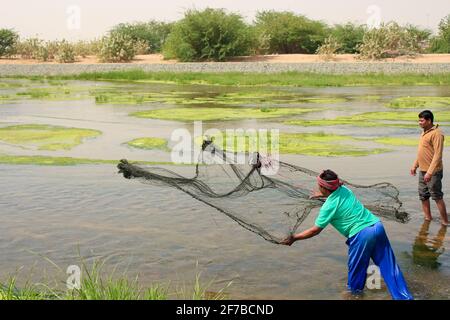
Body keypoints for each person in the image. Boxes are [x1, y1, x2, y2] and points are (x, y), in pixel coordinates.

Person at [281, 169, 413, 300]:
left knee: (357, 271)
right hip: (377, 226)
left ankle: (354, 296)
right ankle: (404, 297)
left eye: (319, 185)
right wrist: (322, 195)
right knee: (390, 268)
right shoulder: (346, 191)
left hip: (361, 235)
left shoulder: (328, 207)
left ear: (322, 187)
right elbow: (337, 196)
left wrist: (294, 238)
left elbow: (315, 230)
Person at [410, 110, 449, 226]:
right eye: (419, 120)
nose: (419, 122)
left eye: (421, 120)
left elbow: (438, 155)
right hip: (422, 170)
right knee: (423, 195)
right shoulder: (424, 133)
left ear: (429, 121)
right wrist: (414, 166)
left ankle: (445, 222)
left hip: (433, 172)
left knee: (436, 196)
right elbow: (422, 153)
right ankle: (428, 219)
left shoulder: (437, 134)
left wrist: (430, 172)